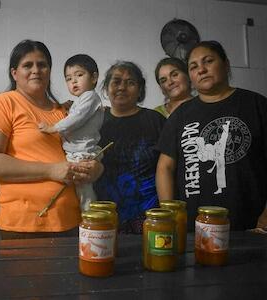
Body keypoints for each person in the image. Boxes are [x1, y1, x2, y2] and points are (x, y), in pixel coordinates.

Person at [0, 40, 103, 240]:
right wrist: (51, 170)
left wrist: (95, 169)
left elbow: (86, 148)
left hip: (71, 222)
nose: (36, 70)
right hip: (22, 225)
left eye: (42, 65)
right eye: (28, 65)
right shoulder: (3, 103)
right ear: (14, 73)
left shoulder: (65, 112)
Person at [156, 40, 267, 231]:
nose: (201, 70)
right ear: (190, 75)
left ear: (226, 64)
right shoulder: (181, 115)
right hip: (195, 229)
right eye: (194, 66)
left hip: (253, 226)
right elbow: (164, 167)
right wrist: (171, 216)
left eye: (208, 61)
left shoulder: (256, 105)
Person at [94, 61, 165, 234]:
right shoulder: (95, 122)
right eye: (116, 81)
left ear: (140, 89)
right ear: (106, 87)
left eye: (130, 82)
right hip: (104, 214)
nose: (122, 87)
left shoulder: (156, 120)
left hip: (149, 214)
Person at [38, 54, 104, 211]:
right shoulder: (83, 99)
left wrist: (53, 128)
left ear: (94, 77)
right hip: (76, 152)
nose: (73, 81)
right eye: (68, 78)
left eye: (79, 75)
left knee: (84, 192)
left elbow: (77, 117)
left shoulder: (90, 97)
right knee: (79, 190)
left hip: (83, 152)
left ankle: (89, 218)